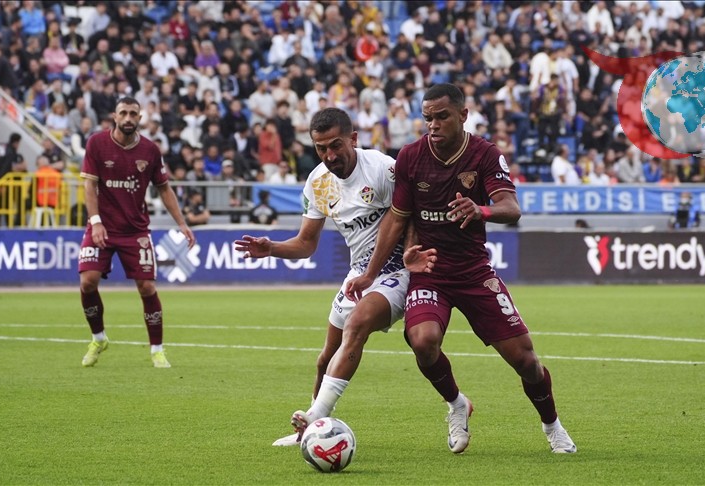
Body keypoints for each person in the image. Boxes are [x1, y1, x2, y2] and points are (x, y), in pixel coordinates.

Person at [345, 84, 576, 454]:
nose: (433, 124)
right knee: (422, 341)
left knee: (525, 361)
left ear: (463, 115)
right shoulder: (410, 157)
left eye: (442, 116)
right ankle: (456, 404)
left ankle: (553, 426)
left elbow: (511, 208)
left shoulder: (485, 154)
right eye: (428, 118)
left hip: (474, 272)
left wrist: (481, 209)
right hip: (429, 271)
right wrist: (371, 274)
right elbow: (397, 217)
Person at [233, 108, 428, 447]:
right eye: (320, 148)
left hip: (397, 269)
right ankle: (310, 431)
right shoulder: (318, 182)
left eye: (336, 145)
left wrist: (407, 255)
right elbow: (306, 244)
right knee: (325, 357)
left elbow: (409, 217)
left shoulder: (382, 169)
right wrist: (272, 248)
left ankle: (313, 419)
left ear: (353, 139)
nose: (329, 155)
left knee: (357, 326)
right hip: (360, 274)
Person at [78, 97, 195, 369]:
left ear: (140, 118)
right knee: (88, 282)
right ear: (115, 116)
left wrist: (182, 223)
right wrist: (96, 221)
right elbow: (89, 186)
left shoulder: (150, 150)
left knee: (147, 287)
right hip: (102, 226)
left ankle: (157, 350)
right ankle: (98, 338)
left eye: (133, 113)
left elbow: (164, 188)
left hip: (135, 230)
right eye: (123, 113)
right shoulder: (96, 143)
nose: (128, 118)